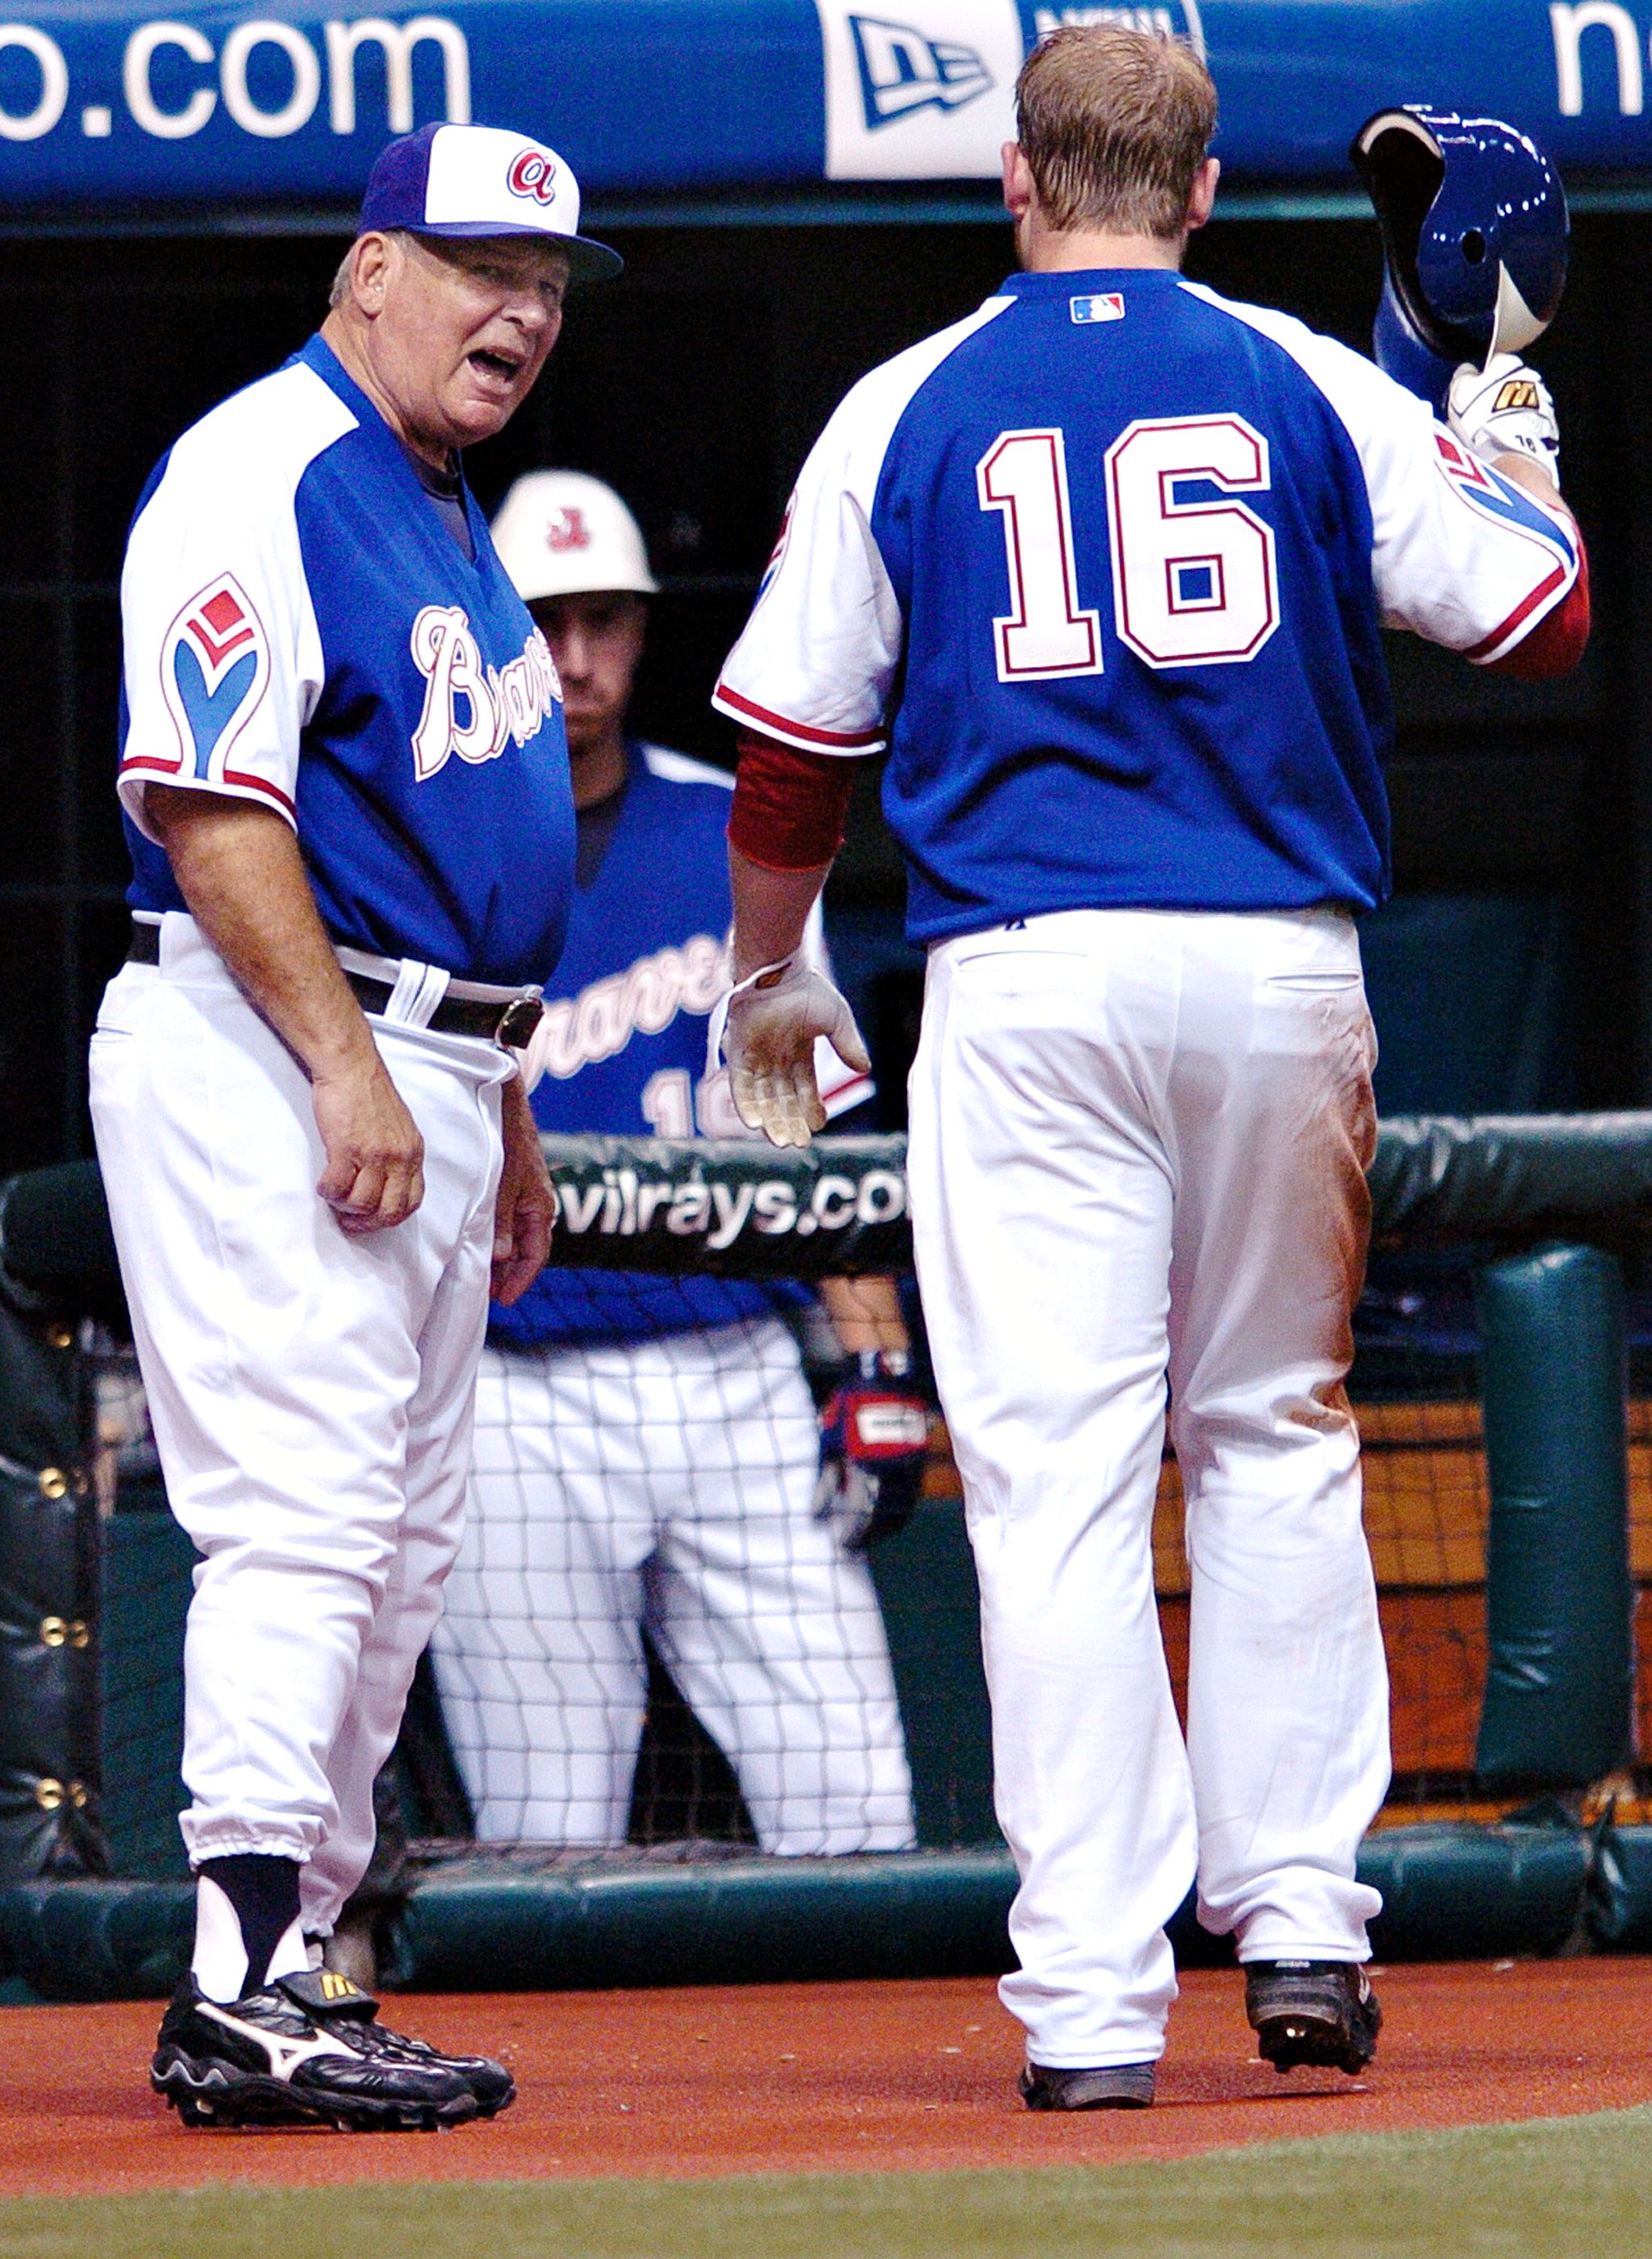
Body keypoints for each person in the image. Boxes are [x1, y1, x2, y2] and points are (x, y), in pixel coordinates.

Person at [710, 27, 1588, 2107]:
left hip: (1031, 979)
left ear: (1013, 176)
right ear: (1201, 193)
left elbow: (793, 748)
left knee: (1059, 1493)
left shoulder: (902, 399)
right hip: (1279, 967)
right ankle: (1298, 1922)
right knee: (1275, 1432)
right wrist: (1507, 405)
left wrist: (770, 966)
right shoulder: (1300, 371)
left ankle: (1097, 2003)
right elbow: (1536, 619)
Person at [90, 123, 621, 2132]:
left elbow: (457, 832)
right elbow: (217, 800)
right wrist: (342, 1057)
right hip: (267, 1050)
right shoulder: (261, 473)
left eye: (554, 288)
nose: (526, 315)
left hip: (437, 1063)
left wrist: (506, 1102)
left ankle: (294, 1969)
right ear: (370, 265)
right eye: (487, 269)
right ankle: (237, 1982)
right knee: (305, 1523)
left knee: (394, 1562)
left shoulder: (435, 498)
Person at [429, 470, 921, 1855]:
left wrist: (875, 1363)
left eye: (606, 622)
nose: (576, 659)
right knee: (542, 1835)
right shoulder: (426, 852)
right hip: (510, 1389)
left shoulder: (731, 833)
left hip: (734, 1377)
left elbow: (808, 1135)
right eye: (546, 623)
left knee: (859, 1807)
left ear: (644, 633)